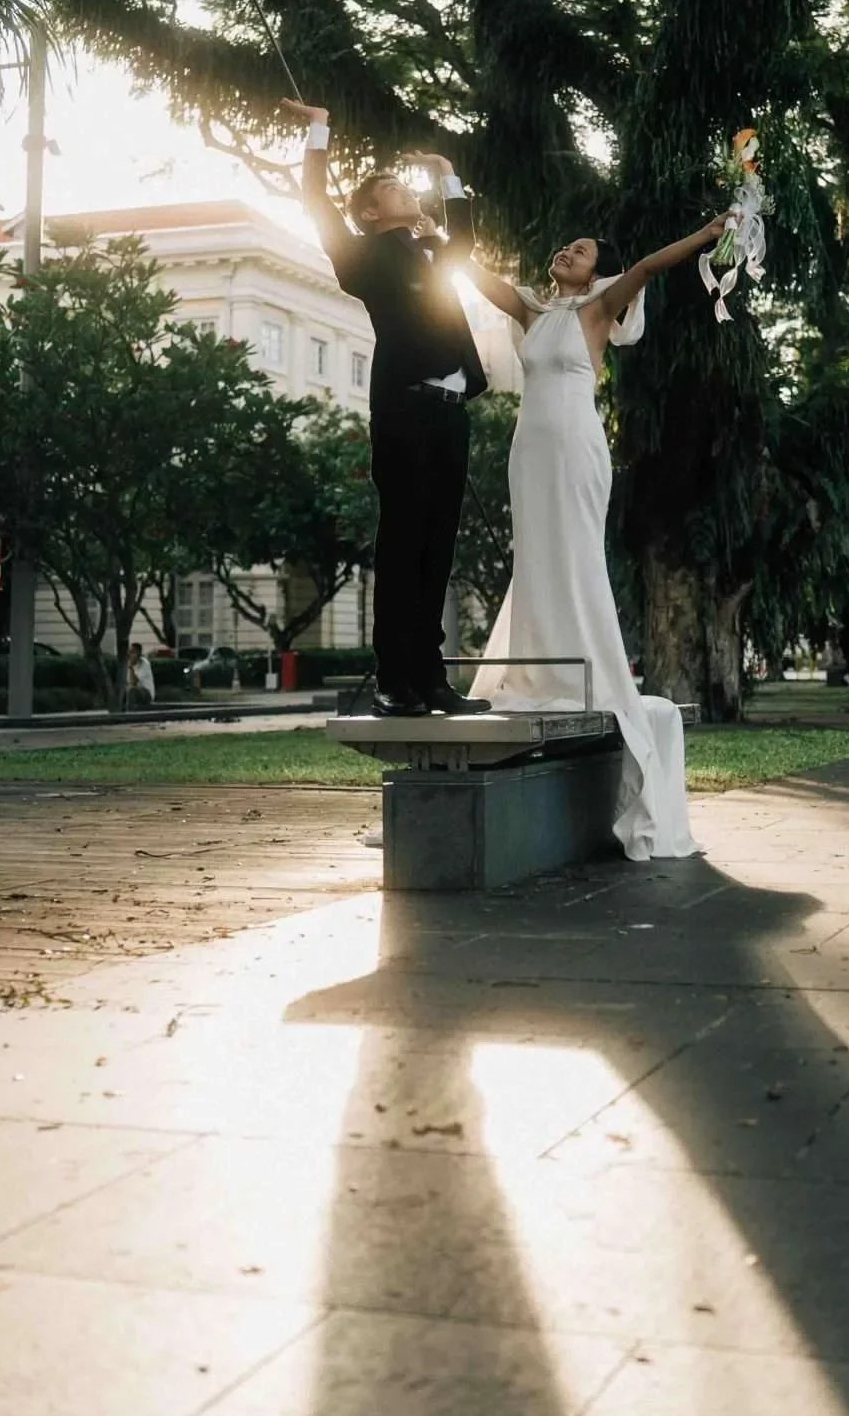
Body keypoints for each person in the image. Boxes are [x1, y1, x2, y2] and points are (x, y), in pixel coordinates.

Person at [462, 214, 726, 862]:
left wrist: (705, 234)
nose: (565, 250)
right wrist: (436, 213)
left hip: (577, 448)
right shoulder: (530, 311)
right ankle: (537, 664)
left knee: (575, 557)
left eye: (580, 251)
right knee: (535, 559)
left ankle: (588, 667)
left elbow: (647, 268)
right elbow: (469, 271)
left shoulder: (600, 307)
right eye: (563, 244)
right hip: (528, 450)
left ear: (595, 271)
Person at [284, 101, 490, 717]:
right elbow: (317, 203)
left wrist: (448, 173)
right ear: (371, 213)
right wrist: (320, 126)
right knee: (403, 545)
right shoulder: (363, 258)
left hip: (453, 413)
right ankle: (394, 679)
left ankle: (431, 679)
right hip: (405, 410)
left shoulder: (435, 253)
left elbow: (468, 242)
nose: (406, 189)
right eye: (392, 188)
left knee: (439, 547)